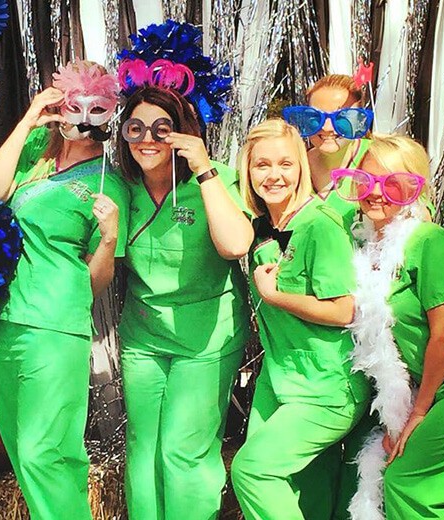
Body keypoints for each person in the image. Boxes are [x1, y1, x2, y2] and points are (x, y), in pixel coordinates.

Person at [0, 60, 129, 520]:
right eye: (72, 106)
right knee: (22, 447)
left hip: (55, 324)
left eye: (96, 108)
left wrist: (108, 238)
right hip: (3, 320)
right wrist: (27, 121)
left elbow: (97, 282)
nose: (82, 119)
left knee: (50, 450)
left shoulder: (109, 182)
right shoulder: (32, 160)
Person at [115, 85, 253, 520]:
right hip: (144, 336)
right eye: (136, 128)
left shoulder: (216, 179)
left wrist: (205, 169)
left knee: (183, 449)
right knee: (143, 449)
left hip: (207, 338)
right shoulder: (121, 186)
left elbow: (236, 245)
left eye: (162, 128)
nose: (148, 139)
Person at [230, 119, 369, 520]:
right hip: (281, 378)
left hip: (326, 386)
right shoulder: (263, 226)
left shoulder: (319, 225)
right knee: (304, 495)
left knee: (254, 471)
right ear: (248, 170)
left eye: (285, 164)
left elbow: (345, 309)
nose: (274, 175)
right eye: (262, 165)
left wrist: (276, 296)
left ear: (301, 169)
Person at [332, 134, 444, 520]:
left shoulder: (430, 241)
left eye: (393, 183)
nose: (376, 193)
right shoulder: (366, 246)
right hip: (440, 386)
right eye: (365, 181)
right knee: (394, 476)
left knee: (408, 485)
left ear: (414, 190)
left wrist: (418, 411)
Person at [283, 74, 372, 230]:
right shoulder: (293, 164)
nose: (327, 127)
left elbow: (416, 218)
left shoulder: (380, 156)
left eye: (341, 117)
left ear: (359, 120)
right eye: (316, 116)